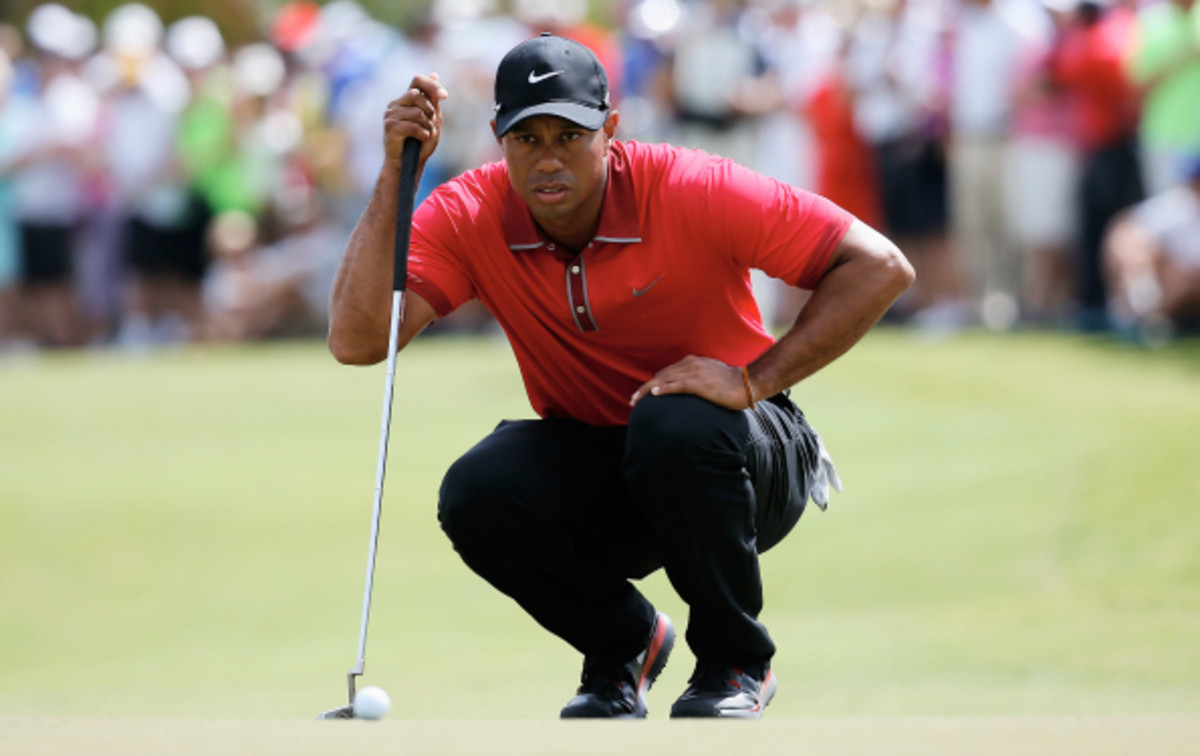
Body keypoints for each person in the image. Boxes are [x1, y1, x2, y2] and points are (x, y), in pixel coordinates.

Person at [328, 34, 913, 719]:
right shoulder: (471, 212)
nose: (548, 159)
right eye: (527, 139)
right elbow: (358, 340)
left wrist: (754, 379)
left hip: (747, 453)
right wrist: (397, 177)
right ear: (498, 138)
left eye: (570, 136)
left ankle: (735, 663)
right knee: (477, 491)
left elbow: (880, 266)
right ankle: (624, 646)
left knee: (675, 422)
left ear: (610, 128)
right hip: (615, 463)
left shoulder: (692, 187)